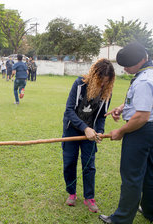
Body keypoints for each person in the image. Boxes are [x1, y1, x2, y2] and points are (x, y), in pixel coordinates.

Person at [99, 42, 153, 223]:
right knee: (149, 172)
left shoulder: (144, 81)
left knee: (131, 175)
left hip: (141, 131)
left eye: (128, 66)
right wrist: (123, 107)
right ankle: (150, 210)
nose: (125, 69)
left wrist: (121, 131)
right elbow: (145, 103)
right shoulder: (148, 74)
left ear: (142, 60)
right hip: (150, 130)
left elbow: (142, 116)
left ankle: (121, 219)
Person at [62, 58, 115, 213]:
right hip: (72, 130)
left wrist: (100, 131)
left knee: (89, 165)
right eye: (100, 81)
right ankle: (71, 193)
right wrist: (84, 128)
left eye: (106, 82)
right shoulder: (79, 85)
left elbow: (101, 116)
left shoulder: (106, 92)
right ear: (93, 76)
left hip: (91, 133)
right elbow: (69, 110)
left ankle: (89, 198)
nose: (103, 85)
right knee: (69, 162)